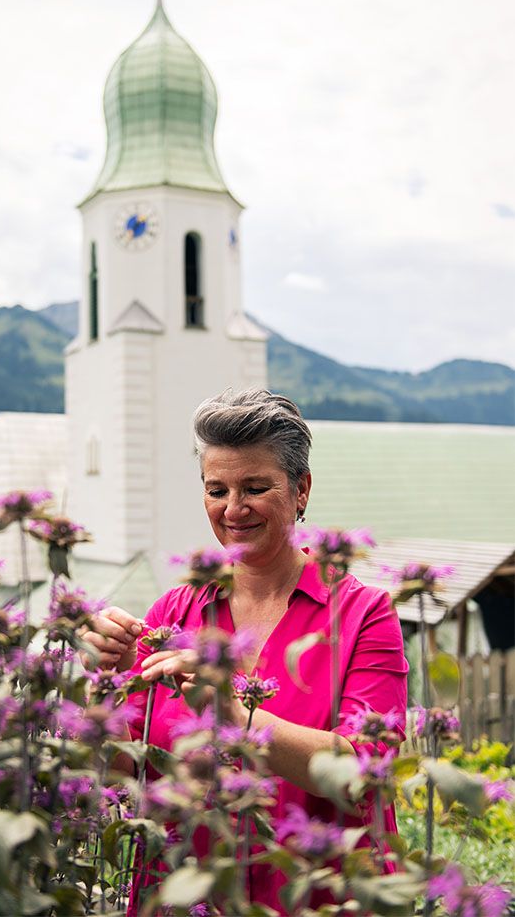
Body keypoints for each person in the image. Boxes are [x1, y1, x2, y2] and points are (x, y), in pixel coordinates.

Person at [85, 388, 409, 912]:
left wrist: (234, 714)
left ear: (301, 489)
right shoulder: (175, 611)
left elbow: (366, 773)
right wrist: (105, 686)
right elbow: (126, 778)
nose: (233, 509)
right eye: (217, 490)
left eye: (256, 487)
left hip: (320, 898)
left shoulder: (362, 613)